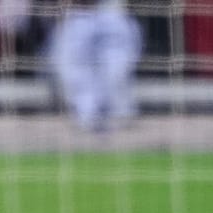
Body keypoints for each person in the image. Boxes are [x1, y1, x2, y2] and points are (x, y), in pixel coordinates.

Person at [47, 0, 142, 131]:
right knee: (72, 71)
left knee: (116, 72)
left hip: (112, 10)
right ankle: (87, 116)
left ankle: (118, 118)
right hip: (77, 13)